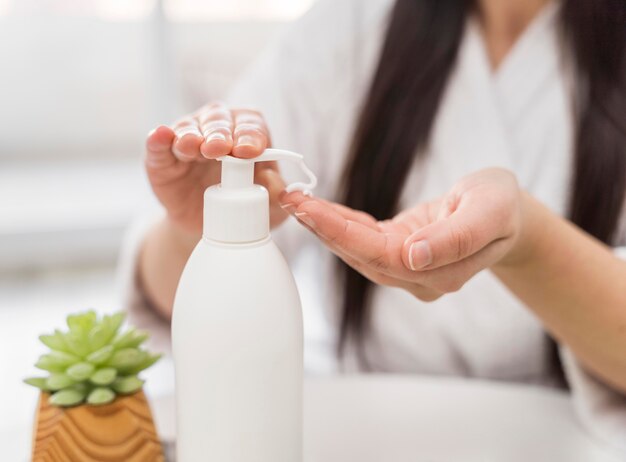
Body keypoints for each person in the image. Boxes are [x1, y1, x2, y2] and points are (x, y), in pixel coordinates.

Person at [121, 0, 626, 451]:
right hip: (361, 430)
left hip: (568, 440)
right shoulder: (349, 27)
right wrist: (198, 228)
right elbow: (173, 301)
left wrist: (528, 240)